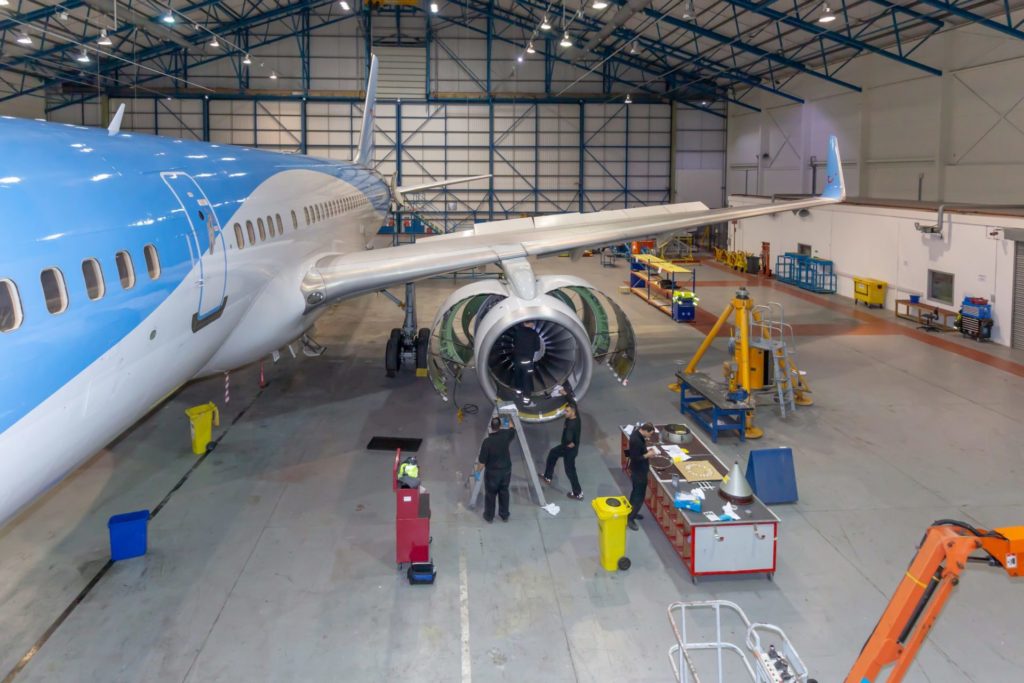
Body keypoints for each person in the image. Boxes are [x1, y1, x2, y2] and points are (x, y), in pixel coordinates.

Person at [475, 417, 516, 523]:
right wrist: (509, 418)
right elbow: (512, 428)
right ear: (500, 426)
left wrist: (477, 472)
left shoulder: (487, 442)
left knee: (490, 494)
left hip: (493, 473)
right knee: (504, 492)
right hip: (506, 470)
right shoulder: (506, 436)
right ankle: (504, 515)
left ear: (491, 427)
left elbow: (482, 462)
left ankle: (489, 516)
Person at [541, 402, 583, 500]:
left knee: (570, 471)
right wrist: (566, 393)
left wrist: (570, 443)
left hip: (569, 450)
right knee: (553, 454)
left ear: (573, 412)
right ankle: (548, 476)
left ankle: (578, 493)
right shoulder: (577, 417)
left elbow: (570, 440)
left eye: (567, 411)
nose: (565, 413)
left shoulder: (571, 426)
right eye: (565, 410)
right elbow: (572, 401)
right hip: (567, 447)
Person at [626, 422, 657, 530]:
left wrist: (645, 452)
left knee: (635, 494)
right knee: (638, 497)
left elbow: (635, 453)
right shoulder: (636, 441)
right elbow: (635, 458)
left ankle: (631, 513)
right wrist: (647, 455)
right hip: (638, 473)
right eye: (650, 434)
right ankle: (630, 518)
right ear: (646, 430)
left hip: (639, 471)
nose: (650, 436)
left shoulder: (637, 434)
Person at [511, 321, 541, 405]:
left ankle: (518, 392)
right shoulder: (533, 333)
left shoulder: (517, 332)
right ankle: (526, 400)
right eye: (533, 323)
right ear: (530, 323)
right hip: (527, 361)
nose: (534, 324)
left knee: (518, 376)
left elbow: (514, 343)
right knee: (527, 380)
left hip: (517, 360)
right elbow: (537, 348)